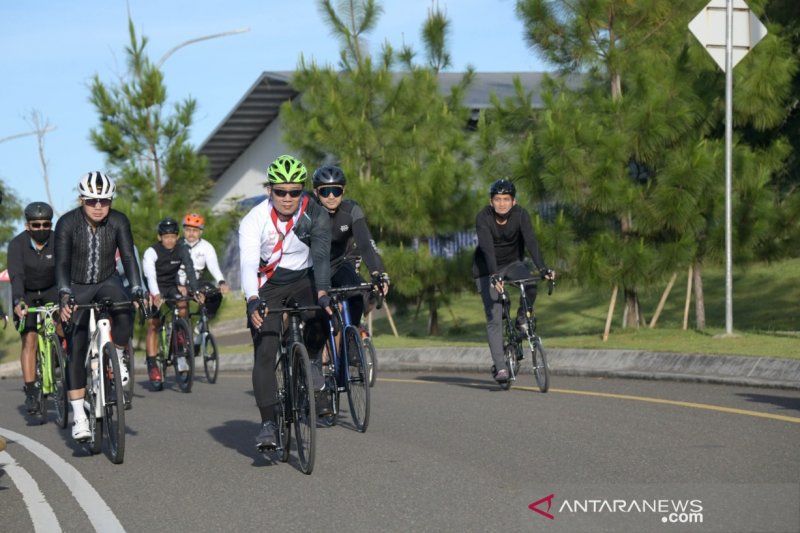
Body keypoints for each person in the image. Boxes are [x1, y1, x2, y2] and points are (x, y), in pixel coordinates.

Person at [238, 154, 332, 450]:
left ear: (302, 190)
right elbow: (248, 263)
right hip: (267, 286)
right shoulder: (254, 220)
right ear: (270, 191)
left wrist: (323, 291)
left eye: (294, 191)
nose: (288, 198)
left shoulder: (314, 212)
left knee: (320, 314)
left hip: (303, 278)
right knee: (265, 351)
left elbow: (320, 255)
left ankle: (313, 362)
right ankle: (267, 423)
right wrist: (252, 299)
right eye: (281, 191)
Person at [56, 171, 144, 441]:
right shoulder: (67, 223)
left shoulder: (118, 221)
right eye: (92, 201)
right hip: (77, 284)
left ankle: (117, 357)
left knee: (125, 308)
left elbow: (128, 256)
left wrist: (137, 286)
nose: (98, 206)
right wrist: (64, 295)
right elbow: (60, 263)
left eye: (104, 201)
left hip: (107, 279)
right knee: (77, 345)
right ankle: (80, 417)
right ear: (81, 199)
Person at [473, 179, 555, 383]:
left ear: (513, 201)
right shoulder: (483, 217)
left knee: (530, 284)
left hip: (512, 264)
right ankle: (501, 368)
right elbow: (487, 249)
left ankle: (521, 319)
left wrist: (543, 268)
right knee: (494, 316)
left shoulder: (521, 215)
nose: (502, 203)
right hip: (486, 269)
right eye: (498, 199)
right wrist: (493, 275)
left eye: (506, 199)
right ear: (491, 202)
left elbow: (531, 242)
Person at [311, 165, 390, 328]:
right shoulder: (309, 212)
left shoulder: (352, 211)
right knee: (316, 320)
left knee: (356, 298)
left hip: (337, 265)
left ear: (343, 191)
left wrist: (378, 273)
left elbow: (366, 245)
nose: (331, 196)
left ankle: (351, 341)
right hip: (311, 268)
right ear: (316, 192)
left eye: (336, 191)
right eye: (325, 191)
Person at [8, 202, 60, 415]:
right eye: (36, 225)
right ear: (28, 226)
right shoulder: (17, 244)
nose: (41, 229)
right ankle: (31, 391)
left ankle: (60, 359)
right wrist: (19, 300)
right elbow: (17, 275)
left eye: (46, 224)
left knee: (63, 325)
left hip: (51, 289)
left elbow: (65, 270)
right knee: (29, 339)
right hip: (27, 294)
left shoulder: (59, 240)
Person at [141, 217, 204, 389]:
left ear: (177, 237)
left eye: (173, 236)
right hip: (153, 287)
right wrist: (155, 295)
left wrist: (196, 290)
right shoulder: (151, 252)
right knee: (153, 323)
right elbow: (150, 276)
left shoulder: (182, 250)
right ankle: (153, 364)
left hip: (170, 285)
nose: (169, 240)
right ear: (159, 237)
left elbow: (190, 269)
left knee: (183, 304)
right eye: (166, 236)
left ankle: (180, 342)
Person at [178, 212, 229, 319]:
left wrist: (221, 282)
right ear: (183, 230)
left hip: (195, 282)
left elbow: (213, 266)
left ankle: (202, 324)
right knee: (182, 308)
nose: (191, 233)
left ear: (200, 231)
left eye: (195, 230)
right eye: (188, 230)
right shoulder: (177, 245)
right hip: (177, 282)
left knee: (215, 295)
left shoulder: (206, 247)